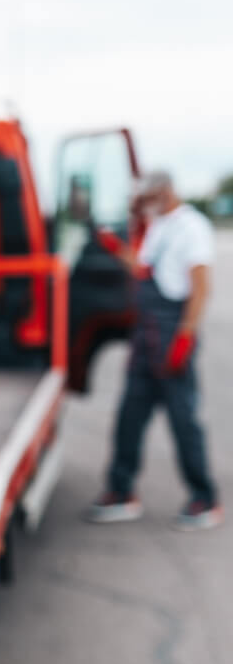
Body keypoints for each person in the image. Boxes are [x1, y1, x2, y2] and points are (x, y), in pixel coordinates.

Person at [85, 171, 221, 531]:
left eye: (149, 197)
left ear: (166, 191)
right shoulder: (158, 226)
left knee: (184, 423)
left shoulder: (193, 228)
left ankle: (205, 497)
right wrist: (115, 247)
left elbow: (201, 287)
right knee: (129, 419)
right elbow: (145, 270)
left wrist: (185, 338)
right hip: (145, 340)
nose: (145, 204)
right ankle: (121, 491)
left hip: (171, 334)